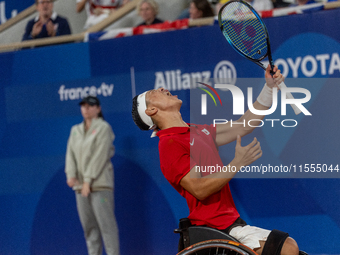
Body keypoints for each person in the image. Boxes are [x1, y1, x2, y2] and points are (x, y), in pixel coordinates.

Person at [131, 65, 302, 255]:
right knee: (288, 248)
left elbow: (243, 125)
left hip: (229, 222)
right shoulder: (169, 144)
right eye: (155, 92)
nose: (162, 89)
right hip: (214, 228)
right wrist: (237, 163)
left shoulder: (195, 131)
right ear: (151, 110)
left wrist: (269, 88)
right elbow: (200, 189)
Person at [65, 96, 120, 255]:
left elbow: (100, 156)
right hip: (81, 187)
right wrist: (71, 174)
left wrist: (88, 180)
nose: (86, 109)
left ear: (98, 108)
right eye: (83, 106)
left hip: (99, 185)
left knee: (107, 227)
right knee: (89, 228)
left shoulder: (103, 127)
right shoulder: (75, 130)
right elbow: (70, 154)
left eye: (90, 106)